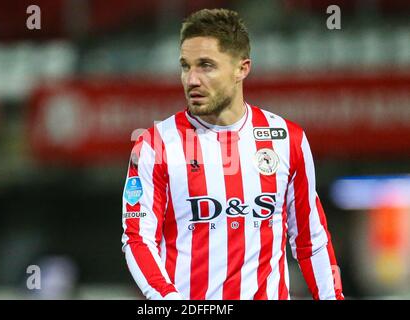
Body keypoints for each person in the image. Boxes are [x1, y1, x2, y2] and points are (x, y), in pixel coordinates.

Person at [121, 8, 344, 300]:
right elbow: (138, 238)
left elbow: (311, 240)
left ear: (242, 68)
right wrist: (168, 299)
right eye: (185, 66)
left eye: (206, 66)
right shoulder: (155, 145)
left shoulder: (287, 140)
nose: (191, 80)